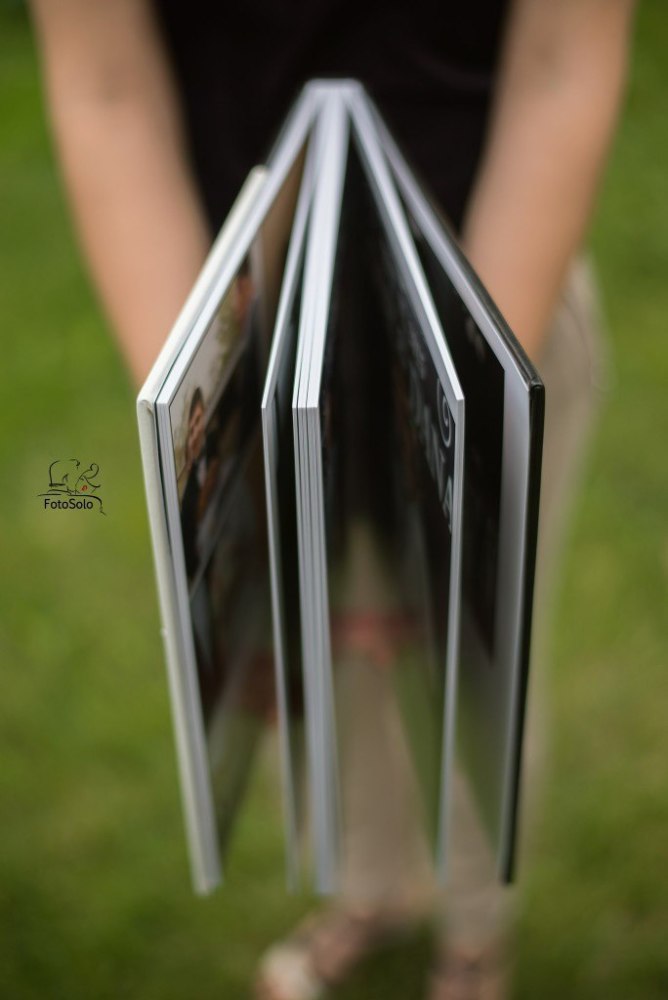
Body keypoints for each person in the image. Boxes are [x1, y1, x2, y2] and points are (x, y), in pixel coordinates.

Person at [28, 1, 638, 997]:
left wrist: (458, 422)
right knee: (310, 659)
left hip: (495, 297)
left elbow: (563, 57)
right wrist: (213, 432)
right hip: (256, 329)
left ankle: (473, 938)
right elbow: (106, 83)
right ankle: (369, 894)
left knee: (472, 664)